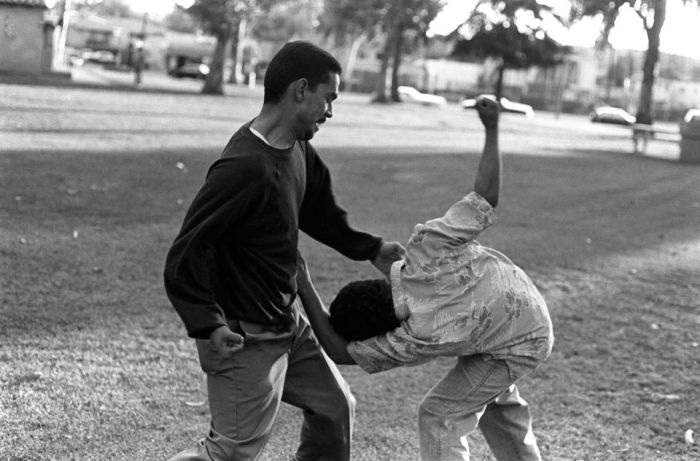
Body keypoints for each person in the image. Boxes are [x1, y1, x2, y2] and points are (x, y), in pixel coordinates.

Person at [163, 41, 404, 461]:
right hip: (245, 336)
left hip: (286, 322)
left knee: (335, 408)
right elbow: (186, 253)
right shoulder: (244, 168)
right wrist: (209, 324)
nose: (330, 112)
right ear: (301, 89)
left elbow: (320, 211)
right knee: (232, 453)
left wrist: (371, 249)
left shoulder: (297, 148)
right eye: (328, 99)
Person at [296, 96, 554, 461]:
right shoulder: (426, 249)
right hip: (523, 311)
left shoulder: (411, 338)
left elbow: (338, 350)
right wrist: (492, 128)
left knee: (439, 416)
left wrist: (302, 281)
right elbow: (486, 197)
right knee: (492, 398)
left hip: (518, 340)